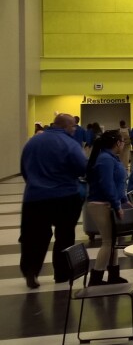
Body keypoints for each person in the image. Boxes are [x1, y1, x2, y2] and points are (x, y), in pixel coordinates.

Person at [19, 113, 88, 288]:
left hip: (34, 197)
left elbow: (24, 168)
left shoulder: (33, 142)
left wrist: (35, 184)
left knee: (34, 236)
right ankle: (62, 274)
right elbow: (82, 167)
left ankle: (31, 271)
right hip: (64, 196)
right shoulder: (69, 143)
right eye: (73, 127)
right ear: (67, 127)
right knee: (64, 235)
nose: (74, 130)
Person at [85, 129, 131, 285]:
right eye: (123, 141)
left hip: (109, 202)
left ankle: (113, 274)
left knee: (113, 240)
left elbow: (118, 182)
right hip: (100, 204)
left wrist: (124, 199)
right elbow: (107, 184)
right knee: (107, 241)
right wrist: (117, 204)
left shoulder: (112, 158)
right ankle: (96, 278)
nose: (124, 143)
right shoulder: (105, 159)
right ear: (117, 143)